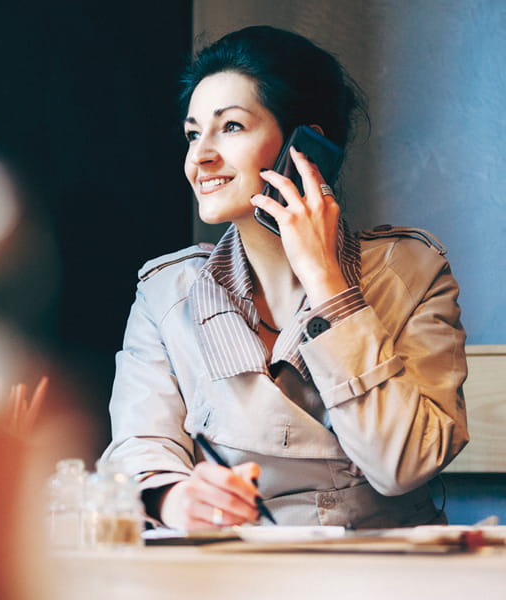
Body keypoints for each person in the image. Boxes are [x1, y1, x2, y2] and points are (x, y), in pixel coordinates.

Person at [103, 26, 468, 530]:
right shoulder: (167, 292)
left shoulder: (411, 271)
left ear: (305, 147)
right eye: (193, 133)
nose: (200, 156)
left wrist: (327, 283)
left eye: (230, 127)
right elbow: (139, 449)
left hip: (384, 572)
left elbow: (403, 465)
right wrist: (172, 498)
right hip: (235, 573)